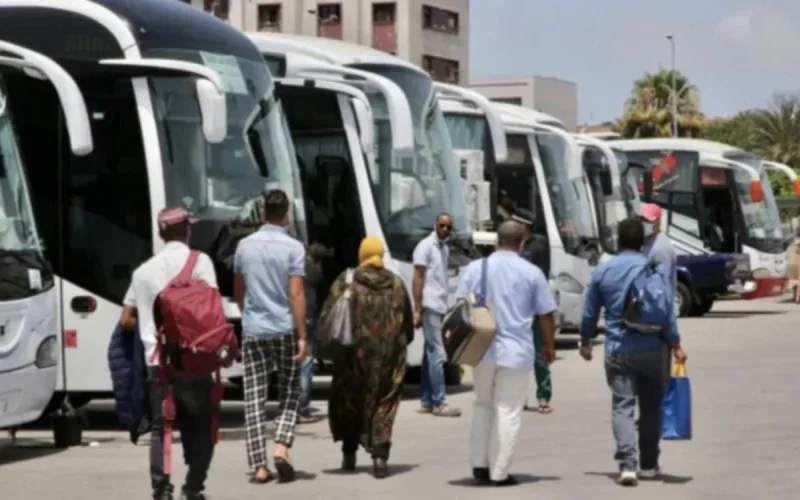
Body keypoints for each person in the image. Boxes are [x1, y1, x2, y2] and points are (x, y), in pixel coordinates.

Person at [579, 217, 688, 487]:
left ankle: (628, 465)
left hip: (618, 348)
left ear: (618, 241)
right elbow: (667, 314)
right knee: (651, 407)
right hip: (654, 348)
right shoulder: (654, 270)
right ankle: (649, 464)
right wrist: (675, 345)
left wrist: (584, 341)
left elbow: (590, 314)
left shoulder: (604, 271)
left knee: (622, 406)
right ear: (643, 242)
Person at [119, 206, 218, 500]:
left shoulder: (142, 272)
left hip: (157, 361)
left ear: (161, 233)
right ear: (187, 230)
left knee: (162, 426)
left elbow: (126, 320)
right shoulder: (200, 262)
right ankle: (194, 486)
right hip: (195, 358)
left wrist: (153, 326)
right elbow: (210, 308)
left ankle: (161, 488)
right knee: (201, 422)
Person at [457, 221, 558, 486]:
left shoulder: (474, 269)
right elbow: (546, 314)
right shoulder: (531, 273)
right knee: (508, 410)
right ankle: (499, 472)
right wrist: (549, 345)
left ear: (495, 241)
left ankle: (479, 465)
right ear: (522, 243)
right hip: (515, 351)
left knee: (482, 404)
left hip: (480, 349)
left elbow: (459, 305)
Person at [320, 236, 414, 479]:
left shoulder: (347, 280)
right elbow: (408, 326)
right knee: (384, 403)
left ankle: (349, 453)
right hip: (389, 358)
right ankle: (380, 458)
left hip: (352, 357)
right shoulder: (396, 283)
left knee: (350, 400)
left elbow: (327, 316)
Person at [233, 189, 309, 484]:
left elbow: (239, 291)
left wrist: (248, 314)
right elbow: (296, 293)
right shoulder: (294, 247)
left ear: (263, 212)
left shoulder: (244, 247)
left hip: (254, 329)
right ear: (287, 214)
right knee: (290, 391)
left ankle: (259, 466)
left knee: (254, 398)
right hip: (284, 328)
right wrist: (302, 334)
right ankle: (281, 446)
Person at [412, 213, 461, 417]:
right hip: (429, 305)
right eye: (442, 226)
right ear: (435, 225)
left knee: (429, 352)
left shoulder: (444, 248)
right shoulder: (425, 246)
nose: (445, 230)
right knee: (438, 353)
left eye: (449, 227)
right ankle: (440, 402)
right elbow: (418, 278)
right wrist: (418, 308)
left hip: (440, 305)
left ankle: (426, 400)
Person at [511, 209, 553, 414]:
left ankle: (544, 395)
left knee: (538, 354)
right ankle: (518, 396)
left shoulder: (538, 245)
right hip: (514, 309)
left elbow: (540, 277)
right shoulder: (511, 245)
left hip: (533, 308)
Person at [297, 243, 331, 424]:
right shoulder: (316, 272)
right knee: (306, 363)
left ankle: (289, 408)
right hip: (308, 317)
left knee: (292, 362)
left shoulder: (295, 264)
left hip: (291, 316)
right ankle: (303, 409)